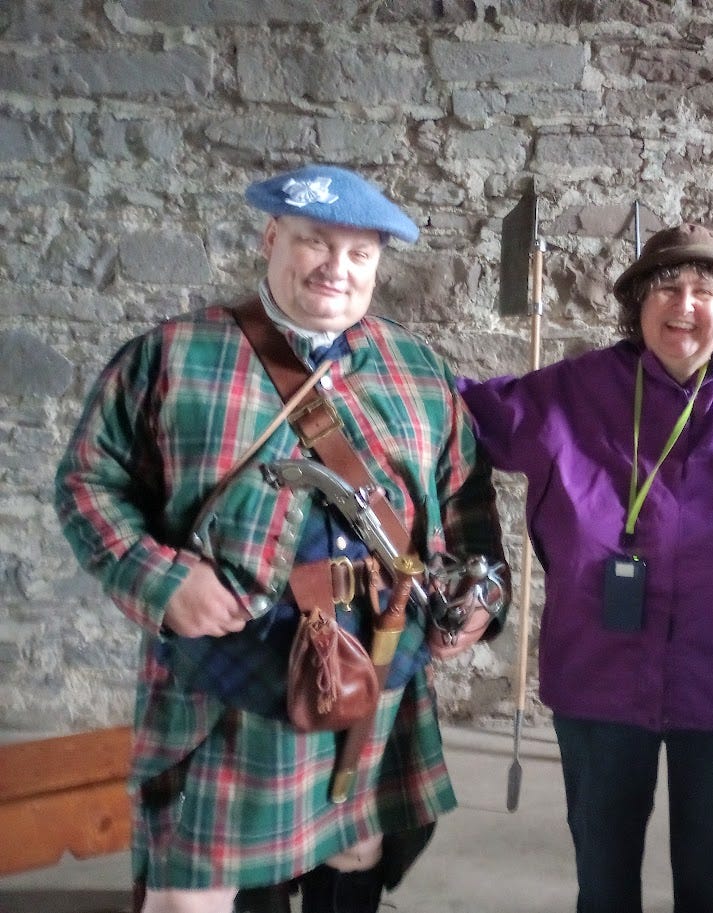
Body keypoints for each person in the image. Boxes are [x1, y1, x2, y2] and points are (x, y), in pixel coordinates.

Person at [54, 164, 509, 913]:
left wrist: (483, 593)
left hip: (379, 658)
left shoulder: (418, 369)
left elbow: (465, 494)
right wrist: (163, 581)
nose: (338, 267)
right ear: (271, 237)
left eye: (360, 253)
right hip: (230, 669)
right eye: (315, 243)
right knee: (191, 890)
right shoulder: (173, 356)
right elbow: (86, 483)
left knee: (355, 844)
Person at [459, 223, 713, 913]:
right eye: (666, 286)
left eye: (704, 290)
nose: (684, 304)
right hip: (598, 675)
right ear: (636, 303)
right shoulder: (572, 391)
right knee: (603, 881)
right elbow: (451, 413)